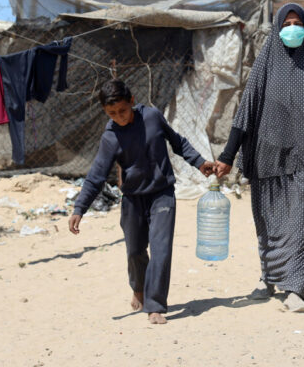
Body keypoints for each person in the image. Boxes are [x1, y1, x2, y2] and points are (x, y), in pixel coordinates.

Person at [215, 3, 304, 312]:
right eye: (286, 22)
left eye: (297, 22)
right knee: (271, 223)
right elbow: (245, 112)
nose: (292, 28)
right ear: (277, 27)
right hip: (269, 156)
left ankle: (297, 289)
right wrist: (227, 155)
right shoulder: (266, 62)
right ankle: (269, 278)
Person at [69, 79, 214, 324]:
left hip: (162, 193)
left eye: (123, 111)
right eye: (112, 113)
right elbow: (96, 176)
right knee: (135, 251)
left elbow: (177, 142)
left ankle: (155, 305)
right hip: (133, 199)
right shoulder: (110, 137)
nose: (119, 117)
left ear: (132, 102)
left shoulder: (153, 117)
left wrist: (199, 162)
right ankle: (138, 287)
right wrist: (79, 208)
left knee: (161, 249)